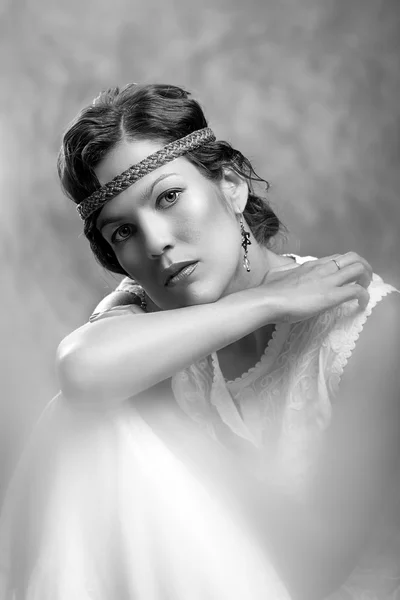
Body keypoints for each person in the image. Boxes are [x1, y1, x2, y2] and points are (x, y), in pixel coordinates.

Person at [1, 83, 399, 600]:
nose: (155, 241)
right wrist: (262, 304)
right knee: (87, 413)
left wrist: (181, 443)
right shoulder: (148, 306)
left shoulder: (367, 323)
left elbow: (317, 567)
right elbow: (80, 372)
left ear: (231, 185)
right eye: (122, 232)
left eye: (168, 197)